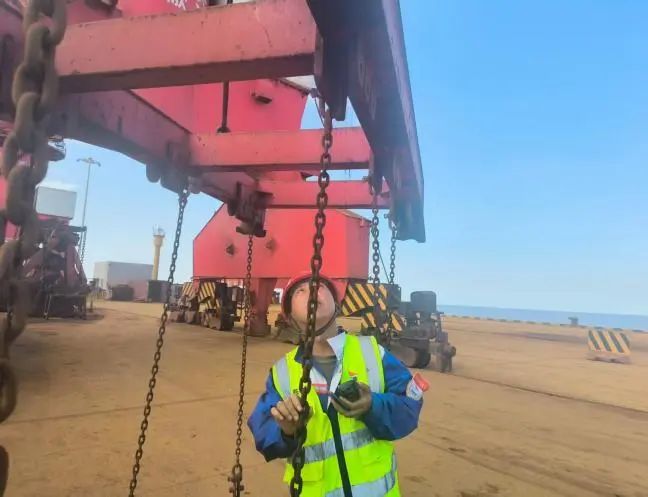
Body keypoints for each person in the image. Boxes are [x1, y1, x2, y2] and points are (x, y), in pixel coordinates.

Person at [248, 272, 424, 497]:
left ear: (337, 305)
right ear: (290, 317)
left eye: (319, 286)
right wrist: (286, 431)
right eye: (300, 291)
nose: (312, 291)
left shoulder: (372, 353)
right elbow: (263, 434)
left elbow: (410, 405)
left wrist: (374, 405)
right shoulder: (281, 373)